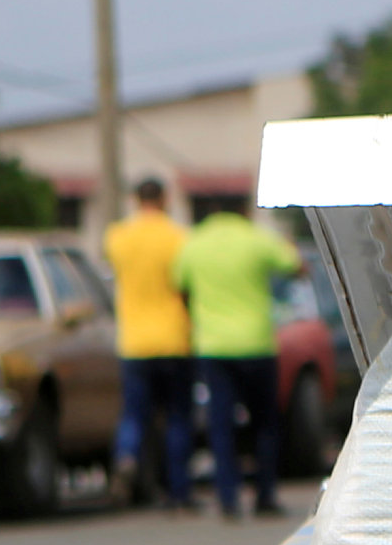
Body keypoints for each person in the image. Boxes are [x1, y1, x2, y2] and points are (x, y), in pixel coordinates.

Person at [173, 192, 301, 520]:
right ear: (244, 210)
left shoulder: (194, 242)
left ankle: (228, 498)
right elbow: (296, 267)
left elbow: (179, 285)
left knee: (221, 424)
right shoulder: (257, 239)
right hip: (256, 342)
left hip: (213, 346)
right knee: (265, 423)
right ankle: (265, 494)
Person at [102, 178, 196, 511]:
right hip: (174, 338)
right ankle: (179, 491)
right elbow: (186, 286)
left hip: (134, 341)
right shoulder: (179, 237)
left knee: (134, 415)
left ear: (134, 199)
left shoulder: (117, 237)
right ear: (165, 199)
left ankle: (126, 457)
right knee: (177, 418)